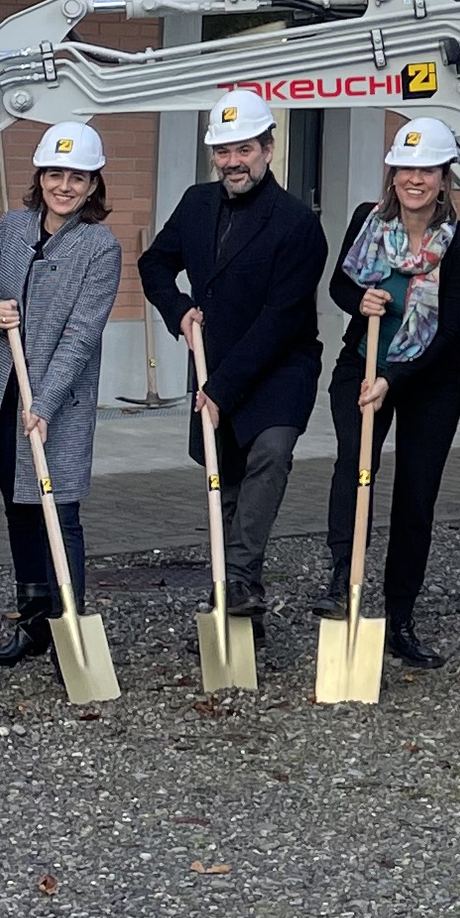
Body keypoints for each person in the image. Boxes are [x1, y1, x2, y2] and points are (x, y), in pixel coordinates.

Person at [139, 89, 327, 625]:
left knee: (269, 452)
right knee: (224, 477)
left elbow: (279, 320)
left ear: (268, 148)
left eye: (243, 149)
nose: (231, 162)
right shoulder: (197, 203)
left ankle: (239, 578)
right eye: (222, 151)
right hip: (212, 358)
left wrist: (218, 392)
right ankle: (238, 598)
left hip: (278, 367)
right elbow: (155, 263)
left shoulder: (296, 223)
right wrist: (178, 309)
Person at [325, 114, 460, 672]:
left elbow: (446, 332)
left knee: (415, 498)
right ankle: (341, 581)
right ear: (392, 174)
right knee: (355, 464)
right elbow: (342, 284)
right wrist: (358, 303)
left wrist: (393, 379)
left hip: (427, 382)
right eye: (405, 168)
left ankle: (401, 620)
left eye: (427, 169)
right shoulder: (367, 224)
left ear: (444, 177)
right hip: (359, 367)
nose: (414, 178)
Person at [0, 120, 124, 668]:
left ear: (92, 185)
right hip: (6, 391)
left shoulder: (99, 246)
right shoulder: (12, 228)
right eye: (55, 173)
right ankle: (32, 622)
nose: (65, 186)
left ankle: (70, 631)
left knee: (62, 511)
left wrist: (46, 403)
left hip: (60, 403)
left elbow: (83, 334)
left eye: (77, 177)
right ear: (40, 176)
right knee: (18, 508)